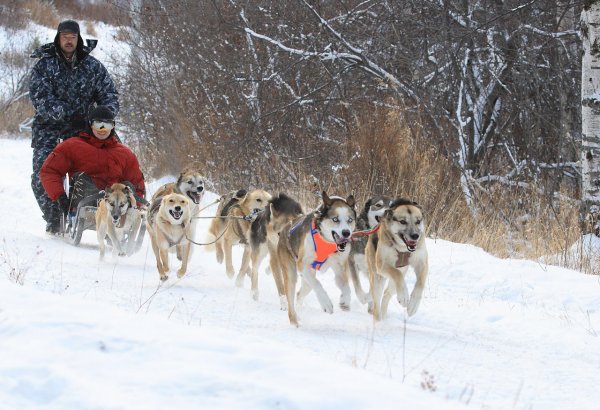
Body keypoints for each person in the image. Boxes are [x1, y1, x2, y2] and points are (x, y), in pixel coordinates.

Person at [29, 19, 119, 234]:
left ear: (78, 39)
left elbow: (109, 95)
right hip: (49, 129)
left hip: (86, 128)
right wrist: (67, 113)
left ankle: (108, 215)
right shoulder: (44, 65)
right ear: (58, 38)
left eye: (72, 37)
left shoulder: (93, 66)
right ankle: (54, 218)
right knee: (43, 171)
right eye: (64, 37)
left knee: (112, 161)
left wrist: (102, 117)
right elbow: (40, 98)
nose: (69, 41)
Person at [40, 106, 145, 235]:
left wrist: (137, 205)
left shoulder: (125, 153)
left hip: (117, 204)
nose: (102, 129)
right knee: (83, 179)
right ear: (90, 125)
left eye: (107, 125)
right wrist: (60, 196)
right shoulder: (72, 146)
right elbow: (49, 171)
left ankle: (120, 226)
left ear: (113, 127)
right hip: (86, 199)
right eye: (98, 124)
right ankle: (91, 212)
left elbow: (137, 183)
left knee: (127, 186)